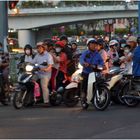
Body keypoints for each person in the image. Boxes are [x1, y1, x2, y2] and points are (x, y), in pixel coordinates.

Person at [80, 38, 104, 104]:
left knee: (99, 84)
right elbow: (81, 60)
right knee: (84, 85)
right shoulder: (85, 53)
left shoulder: (98, 54)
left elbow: (101, 62)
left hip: (95, 73)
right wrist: (84, 63)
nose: (93, 46)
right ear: (88, 45)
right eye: (92, 44)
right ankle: (83, 97)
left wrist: (102, 66)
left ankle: (95, 97)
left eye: (94, 44)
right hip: (86, 72)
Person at [33, 42, 54, 107]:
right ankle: (32, 99)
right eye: (37, 48)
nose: (38, 49)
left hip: (45, 74)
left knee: (44, 86)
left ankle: (46, 101)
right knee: (29, 81)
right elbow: (33, 63)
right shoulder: (37, 55)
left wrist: (46, 69)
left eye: (40, 48)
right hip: (37, 73)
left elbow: (50, 65)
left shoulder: (48, 55)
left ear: (43, 48)